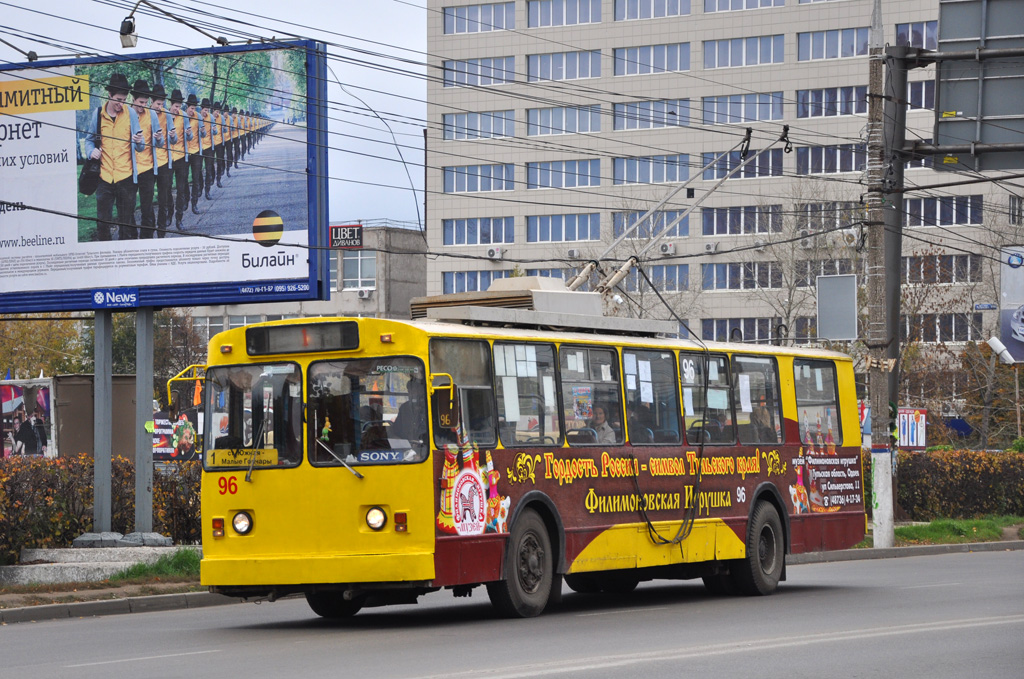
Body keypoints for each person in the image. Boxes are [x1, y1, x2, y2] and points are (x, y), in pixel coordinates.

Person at [84, 72, 144, 241]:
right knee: (103, 224)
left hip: (126, 178)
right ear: (109, 95)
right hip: (104, 178)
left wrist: (139, 141)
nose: (121, 104)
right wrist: (90, 151)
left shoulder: (131, 114)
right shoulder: (97, 115)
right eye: (118, 100)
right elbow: (89, 141)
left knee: (127, 224)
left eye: (124, 100)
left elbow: (141, 145)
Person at [130, 79, 158, 239]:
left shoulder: (152, 114)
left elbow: (159, 141)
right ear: (133, 100)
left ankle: (147, 240)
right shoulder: (126, 114)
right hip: (130, 170)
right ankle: (133, 240)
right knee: (129, 208)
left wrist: (159, 138)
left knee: (147, 208)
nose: (143, 106)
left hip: (147, 168)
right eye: (140, 102)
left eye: (146, 102)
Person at [149, 84, 173, 238]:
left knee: (164, 196)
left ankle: (162, 229)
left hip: (164, 161)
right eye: (157, 104)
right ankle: (151, 225)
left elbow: (175, 138)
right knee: (149, 198)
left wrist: (172, 136)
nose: (160, 107)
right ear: (151, 101)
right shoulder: (145, 114)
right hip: (149, 163)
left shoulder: (167, 115)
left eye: (162, 104)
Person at [167, 89, 190, 229]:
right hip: (168, 158)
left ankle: (179, 218)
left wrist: (189, 134)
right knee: (167, 188)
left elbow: (190, 137)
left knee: (181, 189)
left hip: (181, 157)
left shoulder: (184, 116)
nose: (177, 109)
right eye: (175, 106)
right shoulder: (164, 115)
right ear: (171, 104)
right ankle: (170, 212)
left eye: (179, 107)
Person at [184, 93, 204, 213]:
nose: (193, 111)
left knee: (196, 177)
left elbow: (204, 134)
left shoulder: (198, 117)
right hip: (185, 152)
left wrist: (202, 132)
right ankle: (186, 198)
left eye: (195, 109)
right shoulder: (181, 117)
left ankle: (194, 203)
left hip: (196, 151)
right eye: (191, 108)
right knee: (184, 178)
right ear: (187, 107)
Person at [392, 375, 426, 441]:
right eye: (410, 391)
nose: (412, 393)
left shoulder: (428, 408)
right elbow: (397, 430)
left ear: (422, 391)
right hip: (406, 445)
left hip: (424, 445)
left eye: (415, 390)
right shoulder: (404, 408)